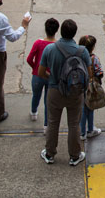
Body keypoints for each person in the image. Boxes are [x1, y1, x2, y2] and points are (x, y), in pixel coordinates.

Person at [39, 19, 90, 166]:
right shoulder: (82, 51)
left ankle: (50, 153)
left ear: (60, 31)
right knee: (74, 124)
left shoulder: (50, 49)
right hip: (75, 92)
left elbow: (41, 72)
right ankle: (74, 155)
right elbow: (89, 74)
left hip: (55, 90)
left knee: (53, 122)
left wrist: (54, 79)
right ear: (75, 33)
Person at [27, 18, 58, 131]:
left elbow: (29, 59)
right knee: (48, 101)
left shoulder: (38, 43)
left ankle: (34, 112)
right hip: (51, 76)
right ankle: (46, 125)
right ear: (56, 30)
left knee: (36, 95)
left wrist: (35, 67)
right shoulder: (57, 45)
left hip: (37, 75)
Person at [79, 35, 103, 140]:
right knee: (90, 107)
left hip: (80, 85)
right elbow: (99, 72)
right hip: (91, 87)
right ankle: (90, 129)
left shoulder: (78, 57)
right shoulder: (94, 58)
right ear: (93, 47)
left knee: (83, 108)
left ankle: (82, 132)